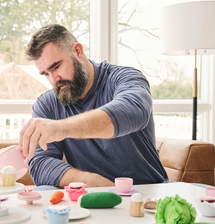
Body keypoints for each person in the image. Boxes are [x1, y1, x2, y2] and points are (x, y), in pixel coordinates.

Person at [19, 24, 168, 189]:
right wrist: (100, 186)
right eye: (46, 74)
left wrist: (62, 128)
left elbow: (134, 111)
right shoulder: (47, 105)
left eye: (56, 67)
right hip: (91, 195)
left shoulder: (125, 78)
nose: (54, 80)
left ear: (77, 51)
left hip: (144, 193)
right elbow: (41, 163)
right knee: (44, 189)